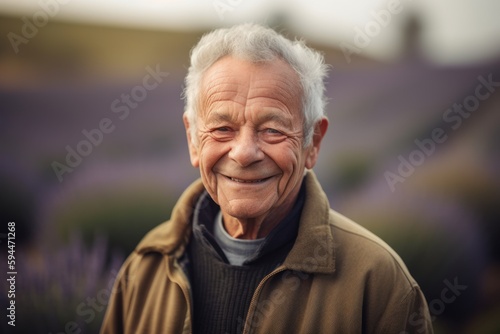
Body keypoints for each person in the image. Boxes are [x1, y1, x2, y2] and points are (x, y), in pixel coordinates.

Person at [101, 23, 433, 334]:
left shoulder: (378, 284)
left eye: (272, 130)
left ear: (312, 143)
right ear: (193, 140)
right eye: (222, 129)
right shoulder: (145, 269)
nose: (244, 153)